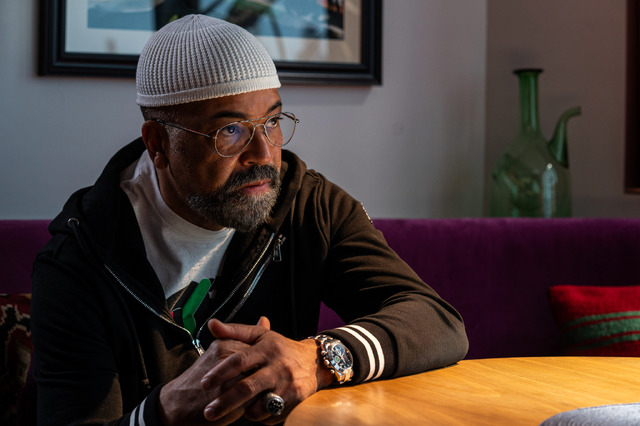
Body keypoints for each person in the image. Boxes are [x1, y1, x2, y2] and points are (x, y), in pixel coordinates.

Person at [31, 14, 468, 426]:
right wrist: (166, 409)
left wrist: (317, 359)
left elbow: (437, 322)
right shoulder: (79, 259)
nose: (264, 155)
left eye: (272, 121)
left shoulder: (307, 204)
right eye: (231, 130)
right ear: (158, 143)